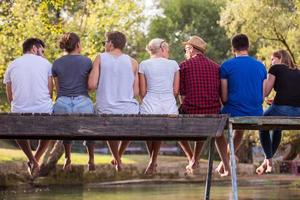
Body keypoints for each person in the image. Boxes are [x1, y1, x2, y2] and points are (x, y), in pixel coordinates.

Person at [178, 35, 230, 176]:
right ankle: (227, 167)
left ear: (191, 49)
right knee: (215, 130)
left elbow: (182, 96)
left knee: (175, 125)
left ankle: (191, 157)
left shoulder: (183, 66)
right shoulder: (216, 67)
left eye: (185, 49)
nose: (185, 53)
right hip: (213, 112)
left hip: (191, 111)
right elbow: (220, 94)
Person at [88, 31, 139, 171]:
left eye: (105, 42)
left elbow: (91, 85)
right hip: (128, 110)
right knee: (130, 115)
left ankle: (116, 158)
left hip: (106, 109)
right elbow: (136, 92)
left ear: (110, 43)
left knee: (107, 115)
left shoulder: (100, 58)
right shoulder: (133, 62)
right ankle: (118, 157)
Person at [217, 33, 267, 175]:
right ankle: (224, 162)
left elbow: (225, 98)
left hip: (233, 112)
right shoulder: (260, 66)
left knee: (216, 129)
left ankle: (224, 162)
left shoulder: (226, 66)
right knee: (239, 130)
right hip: (256, 112)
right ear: (248, 47)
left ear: (233, 49)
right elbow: (262, 95)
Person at [3, 38, 53, 177]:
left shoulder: (12, 65)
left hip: (20, 112)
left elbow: (10, 96)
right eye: (41, 51)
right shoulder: (46, 64)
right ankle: (35, 159)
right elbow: (50, 92)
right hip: (44, 111)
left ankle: (32, 159)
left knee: (17, 123)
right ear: (34, 48)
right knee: (51, 130)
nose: (42, 54)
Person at [52, 32, 95, 172]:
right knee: (91, 124)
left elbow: (58, 91)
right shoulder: (87, 61)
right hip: (82, 102)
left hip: (62, 103)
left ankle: (67, 158)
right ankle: (91, 159)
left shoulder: (56, 63)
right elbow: (89, 86)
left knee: (65, 127)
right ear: (78, 45)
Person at [139, 38, 180, 174]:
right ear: (162, 48)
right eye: (167, 49)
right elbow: (175, 91)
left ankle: (152, 160)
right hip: (169, 107)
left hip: (149, 105)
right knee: (160, 123)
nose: (168, 52)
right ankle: (153, 160)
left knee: (148, 125)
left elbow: (142, 92)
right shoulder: (174, 64)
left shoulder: (143, 64)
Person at [256, 50, 300, 175]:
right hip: (298, 111)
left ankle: (268, 160)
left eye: (272, 59)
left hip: (281, 108)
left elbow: (265, 92)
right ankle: (267, 161)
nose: (271, 62)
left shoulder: (275, 68)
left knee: (262, 124)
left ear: (280, 58)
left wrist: (263, 76)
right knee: (277, 127)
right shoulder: (298, 71)